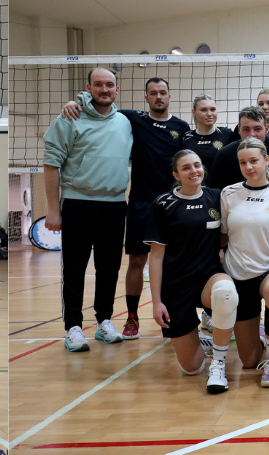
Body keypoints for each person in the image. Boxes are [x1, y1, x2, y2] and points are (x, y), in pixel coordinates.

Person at [57, 77, 192, 338]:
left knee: (174, 262)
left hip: (172, 204)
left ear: (169, 96)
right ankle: (131, 317)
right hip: (140, 203)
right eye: (153, 93)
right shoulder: (132, 119)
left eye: (163, 92)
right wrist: (74, 103)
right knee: (137, 260)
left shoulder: (181, 127)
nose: (158, 97)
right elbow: (101, 107)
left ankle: (174, 313)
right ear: (146, 98)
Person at [41, 67, 132, 351]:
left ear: (117, 89)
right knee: (75, 269)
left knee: (109, 268)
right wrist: (53, 210)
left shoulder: (125, 122)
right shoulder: (69, 117)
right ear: (88, 88)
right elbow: (51, 164)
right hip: (78, 204)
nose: (104, 89)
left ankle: (104, 321)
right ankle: (73, 327)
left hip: (115, 205)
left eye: (109, 85)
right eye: (98, 84)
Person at [145, 150, 236, 393]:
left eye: (197, 165)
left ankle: (218, 363)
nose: (194, 171)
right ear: (176, 175)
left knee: (225, 291)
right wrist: (156, 302)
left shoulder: (217, 197)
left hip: (209, 277)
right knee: (192, 368)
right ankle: (201, 340)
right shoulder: (163, 204)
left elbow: (229, 232)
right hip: (176, 286)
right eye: (186, 168)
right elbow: (156, 256)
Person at [219, 140, 269, 387]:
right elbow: (223, 235)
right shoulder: (228, 193)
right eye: (243, 162)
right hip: (238, 274)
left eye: (254, 161)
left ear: (266, 160)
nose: (248, 167)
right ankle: (264, 341)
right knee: (249, 361)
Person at [209, 107, 269, 188]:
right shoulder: (224, 155)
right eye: (246, 129)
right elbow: (218, 190)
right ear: (239, 130)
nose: (251, 134)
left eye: (257, 129)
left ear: (266, 129)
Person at [182, 94, 232, 167]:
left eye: (212, 109)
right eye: (203, 110)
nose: (209, 114)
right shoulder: (186, 138)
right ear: (194, 112)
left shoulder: (227, 134)